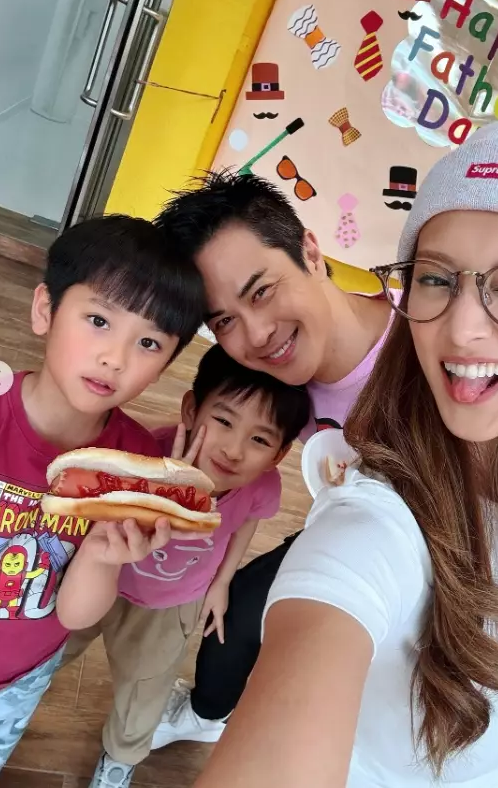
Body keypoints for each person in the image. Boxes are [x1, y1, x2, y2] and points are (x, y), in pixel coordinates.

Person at [191, 97, 498, 788]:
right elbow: (343, 565)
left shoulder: (412, 347)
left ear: (312, 252)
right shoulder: (357, 491)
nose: (461, 330)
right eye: (435, 279)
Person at [151, 171, 396, 745]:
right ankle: (206, 717)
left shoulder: (426, 342)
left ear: (310, 252)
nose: (257, 334)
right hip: (361, 527)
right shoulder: (282, 386)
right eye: (224, 321)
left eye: (261, 291)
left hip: (469, 563)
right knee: (235, 618)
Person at [0, 214, 205, 787]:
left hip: (10, 685)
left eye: (148, 342)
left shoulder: (132, 462)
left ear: (164, 367)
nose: (116, 358)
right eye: (99, 320)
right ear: (45, 310)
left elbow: (74, 615)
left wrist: (102, 556)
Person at [57, 342, 310, 788]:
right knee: (47, 653)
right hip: (99, 578)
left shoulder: (260, 485)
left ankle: (121, 758)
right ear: (191, 410)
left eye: (259, 439)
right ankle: (3, 708)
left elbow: (247, 521)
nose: (234, 449)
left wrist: (223, 581)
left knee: (145, 693)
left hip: (171, 606)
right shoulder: (145, 453)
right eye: (224, 421)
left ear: (278, 455)